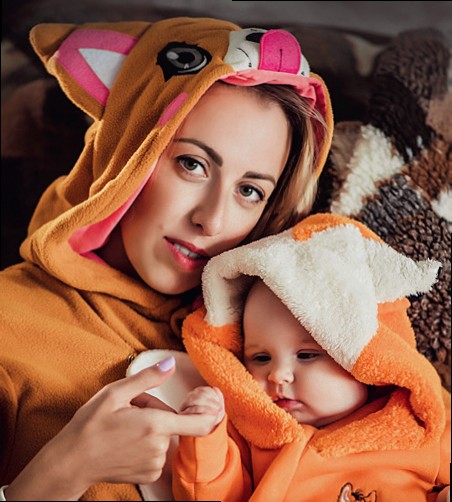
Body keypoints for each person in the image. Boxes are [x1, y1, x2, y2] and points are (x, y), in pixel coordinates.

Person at [0, 16, 334, 501]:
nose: (212, 220)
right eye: (192, 164)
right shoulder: (9, 320)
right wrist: (65, 472)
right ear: (127, 148)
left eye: (249, 191)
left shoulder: (279, 334)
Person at [174, 212, 451, 501]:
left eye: (306, 355)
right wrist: (204, 437)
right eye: (260, 358)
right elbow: (213, 494)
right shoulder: (253, 436)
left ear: (367, 360)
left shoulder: (420, 428)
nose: (277, 375)